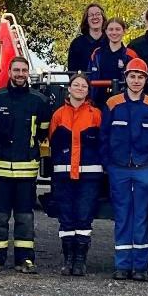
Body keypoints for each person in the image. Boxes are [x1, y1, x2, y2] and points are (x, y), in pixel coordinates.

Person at [0, 56, 51, 274]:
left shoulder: (40, 101)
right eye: (16, 70)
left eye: (23, 70)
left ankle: (25, 260)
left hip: (27, 170)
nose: (20, 74)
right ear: (9, 72)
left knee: (25, 217)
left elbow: (43, 134)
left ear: (28, 73)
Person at [101, 57, 148, 281]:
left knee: (140, 217)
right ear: (125, 78)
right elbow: (104, 136)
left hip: (144, 168)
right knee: (122, 216)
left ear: (146, 80)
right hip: (118, 168)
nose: (136, 80)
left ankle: (140, 267)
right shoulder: (112, 103)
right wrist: (107, 163)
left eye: (140, 77)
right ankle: (122, 265)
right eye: (132, 76)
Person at [48, 74, 102, 277]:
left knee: (84, 217)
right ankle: (68, 259)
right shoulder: (58, 115)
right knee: (66, 218)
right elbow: (52, 143)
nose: (80, 88)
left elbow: (102, 143)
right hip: (63, 175)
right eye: (76, 85)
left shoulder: (96, 114)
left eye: (84, 86)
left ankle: (80, 260)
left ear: (88, 91)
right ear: (68, 88)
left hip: (89, 176)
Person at [88, 18, 140, 104]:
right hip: (98, 101)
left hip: (123, 102)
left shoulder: (131, 55)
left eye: (118, 29)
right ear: (106, 31)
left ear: (124, 31)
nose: (114, 32)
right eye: (111, 29)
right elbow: (90, 77)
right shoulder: (97, 53)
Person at [65, 3, 109, 73]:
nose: (95, 17)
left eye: (98, 14)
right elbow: (72, 72)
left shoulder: (111, 41)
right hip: (84, 83)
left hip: (108, 83)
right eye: (91, 15)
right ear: (86, 20)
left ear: (103, 18)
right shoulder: (77, 43)